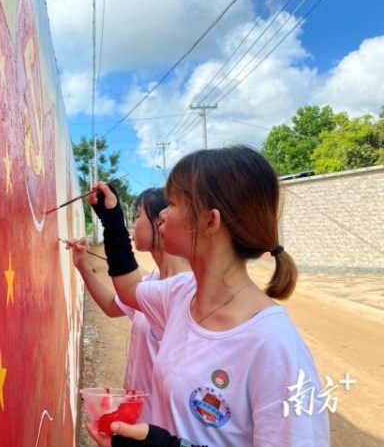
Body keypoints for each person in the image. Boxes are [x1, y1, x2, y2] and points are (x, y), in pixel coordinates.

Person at [86, 145, 329, 447]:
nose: (161, 214)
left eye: (172, 203)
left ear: (210, 222)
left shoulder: (274, 345)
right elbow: (128, 289)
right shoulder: (180, 294)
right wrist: (111, 220)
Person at [68, 188, 192, 423]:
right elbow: (112, 306)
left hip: (161, 425)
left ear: (161, 221)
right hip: (138, 415)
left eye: (137, 216)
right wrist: (82, 265)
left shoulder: (183, 289)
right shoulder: (153, 282)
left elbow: (127, 288)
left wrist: (112, 219)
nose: (133, 226)